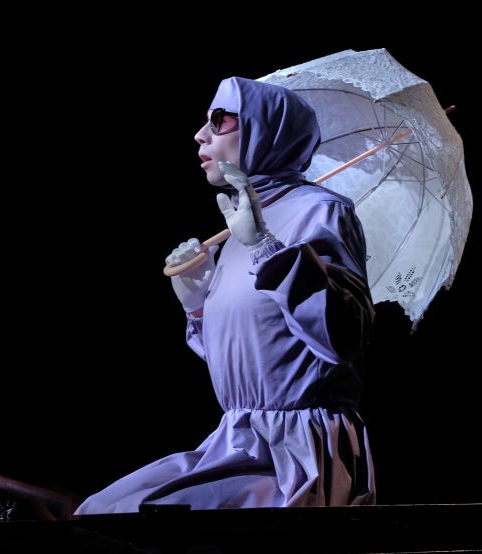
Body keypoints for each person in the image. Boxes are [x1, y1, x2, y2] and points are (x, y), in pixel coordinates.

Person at [77, 77, 375, 513]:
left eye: (219, 120)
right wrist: (197, 305)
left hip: (297, 453)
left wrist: (267, 248)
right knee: (98, 510)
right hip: (238, 438)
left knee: (134, 519)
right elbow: (251, 354)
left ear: (267, 130)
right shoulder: (241, 221)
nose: (201, 134)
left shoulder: (320, 210)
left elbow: (343, 336)